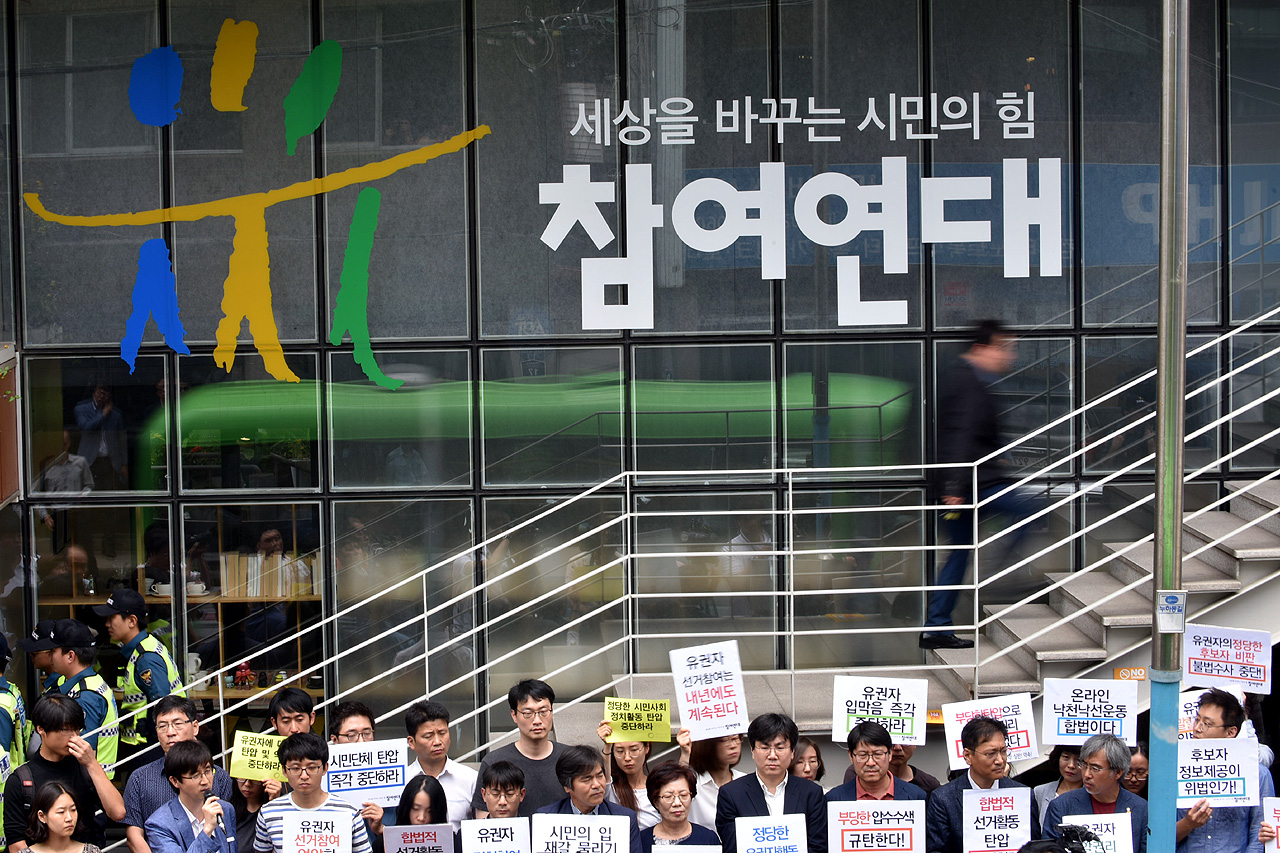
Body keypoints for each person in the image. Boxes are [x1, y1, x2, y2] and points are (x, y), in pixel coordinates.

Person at [922, 319, 1035, 650]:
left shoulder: (973, 381)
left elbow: (972, 435)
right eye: (1005, 348)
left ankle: (937, 627)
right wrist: (954, 487)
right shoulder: (969, 383)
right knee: (1029, 510)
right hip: (968, 487)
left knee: (958, 555)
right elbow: (959, 433)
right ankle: (1000, 576)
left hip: (967, 484)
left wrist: (996, 456)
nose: (1009, 356)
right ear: (983, 348)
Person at [3, 695, 126, 852]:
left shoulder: (86, 769)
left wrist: (92, 763)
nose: (74, 737)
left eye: (77, 729)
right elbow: (16, 844)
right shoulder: (21, 779)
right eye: (65, 730)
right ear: (40, 729)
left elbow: (118, 812)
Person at [123, 697, 235, 853]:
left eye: (177, 724)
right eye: (162, 726)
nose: (170, 732)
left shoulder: (220, 776)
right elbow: (134, 836)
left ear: (195, 727)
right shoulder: (140, 779)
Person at [1177, 687, 1274, 853]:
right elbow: (1156, 837)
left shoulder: (1258, 774)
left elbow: (1259, 837)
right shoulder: (1175, 770)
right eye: (1197, 720)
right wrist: (1188, 823)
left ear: (1231, 732)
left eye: (1207, 724)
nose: (1197, 728)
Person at [925, 716, 1039, 853]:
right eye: (990, 753)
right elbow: (937, 850)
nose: (1000, 760)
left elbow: (1035, 846)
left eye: (1003, 751)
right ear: (968, 756)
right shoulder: (943, 798)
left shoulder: (1023, 795)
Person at [714, 713, 825, 853]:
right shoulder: (731, 794)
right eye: (765, 748)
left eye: (780, 748)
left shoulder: (811, 793)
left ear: (792, 752)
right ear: (753, 750)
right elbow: (732, 848)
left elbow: (818, 846)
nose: (772, 755)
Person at [94, 589, 184, 751]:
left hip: (153, 745)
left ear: (132, 621)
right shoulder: (142, 648)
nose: (107, 624)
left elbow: (164, 705)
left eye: (111, 618)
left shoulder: (146, 657)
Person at [252, 733, 372, 853]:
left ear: (325, 768)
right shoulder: (269, 813)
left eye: (312, 767)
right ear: (284, 770)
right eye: (295, 768)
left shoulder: (349, 813)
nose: (304, 775)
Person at [471, 680, 566, 817]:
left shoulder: (569, 758)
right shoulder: (494, 761)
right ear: (514, 715)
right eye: (528, 713)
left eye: (543, 711)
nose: (537, 720)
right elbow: (483, 820)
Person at [1043, 734, 1146, 853]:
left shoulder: (1141, 809)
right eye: (1084, 765)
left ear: (1117, 772)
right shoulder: (1062, 806)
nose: (1087, 774)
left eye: (1095, 768)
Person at [535, 745, 640, 853]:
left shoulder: (624, 818)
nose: (596, 785)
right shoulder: (546, 819)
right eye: (587, 779)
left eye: (600, 776)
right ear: (567, 787)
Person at [48, 620, 119, 779]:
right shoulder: (90, 682)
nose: (49, 655)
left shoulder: (85, 697)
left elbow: (83, 754)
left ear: (70, 656)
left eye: (53, 650)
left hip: (88, 784)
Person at [143, 740, 238, 853]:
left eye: (208, 771)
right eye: (195, 775)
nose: (205, 781)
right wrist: (207, 830)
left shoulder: (225, 809)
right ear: (175, 781)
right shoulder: (159, 824)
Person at [405, 701, 476, 831]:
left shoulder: (470, 779)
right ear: (411, 742)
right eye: (428, 736)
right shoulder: (402, 780)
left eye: (442, 733)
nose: (437, 742)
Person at [825, 721, 926, 802]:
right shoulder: (834, 799)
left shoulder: (916, 796)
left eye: (878, 754)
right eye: (862, 755)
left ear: (890, 754)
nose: (870, 763)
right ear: (851, 756)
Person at [640, 762, 719, 853]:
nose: (677, 803)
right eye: (668, 796)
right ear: (656, 802)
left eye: (683, 795)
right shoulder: (641, 841)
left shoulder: (708, 838)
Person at [597, 720, 658, 829]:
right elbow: (603, 779)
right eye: (620, 751)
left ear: (646, 748)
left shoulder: (659, 787)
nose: (627, 758)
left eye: (634, 750)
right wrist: (607, 746)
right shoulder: (610, 789)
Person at [678, 731, 744, 829]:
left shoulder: (744, 781)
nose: (733, 745)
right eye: (724, 740)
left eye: (736, 738)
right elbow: (677, 789)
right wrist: (685, 754)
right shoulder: (693, 782)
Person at [262, 689, 314, 799]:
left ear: (311, 718)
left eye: (299, 719)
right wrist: (274, 799)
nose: (294, 729)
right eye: (286, 721)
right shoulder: (263, 758)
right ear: (274, 723)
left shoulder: (325, 753)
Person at [23, 782, 98, 853]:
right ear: (42, 816)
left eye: (73, 810)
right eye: (61, 812)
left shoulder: (91, 851)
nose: (69, 818)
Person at [1032, 745, 1082, 830]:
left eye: (1079, 760)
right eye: (1066, 757)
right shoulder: (1040, 792)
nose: (1071, 765)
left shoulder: (1095, 795)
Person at [229, 778, 264, 853]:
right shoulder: (227, 810)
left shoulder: (273, 809)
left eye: (254, 779)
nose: (247, 784)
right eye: (242, 778)